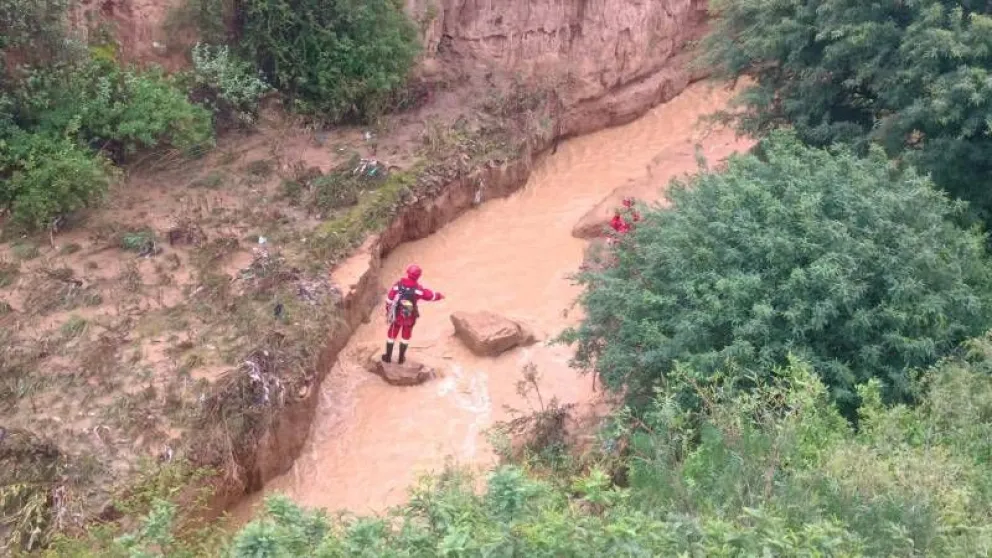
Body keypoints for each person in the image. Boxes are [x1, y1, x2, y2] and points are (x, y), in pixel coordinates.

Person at [382, 264, 445, 364]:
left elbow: (389, 299)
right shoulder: (418, 290)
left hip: (397, 315)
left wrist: (388, 311)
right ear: (418, 276)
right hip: (409, 316)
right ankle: (401, 359)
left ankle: (388, 357)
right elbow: (430, 296)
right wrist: (439, 296)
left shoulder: (398, 285)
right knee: (405, 336)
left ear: (407, 273)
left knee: (392, 335)